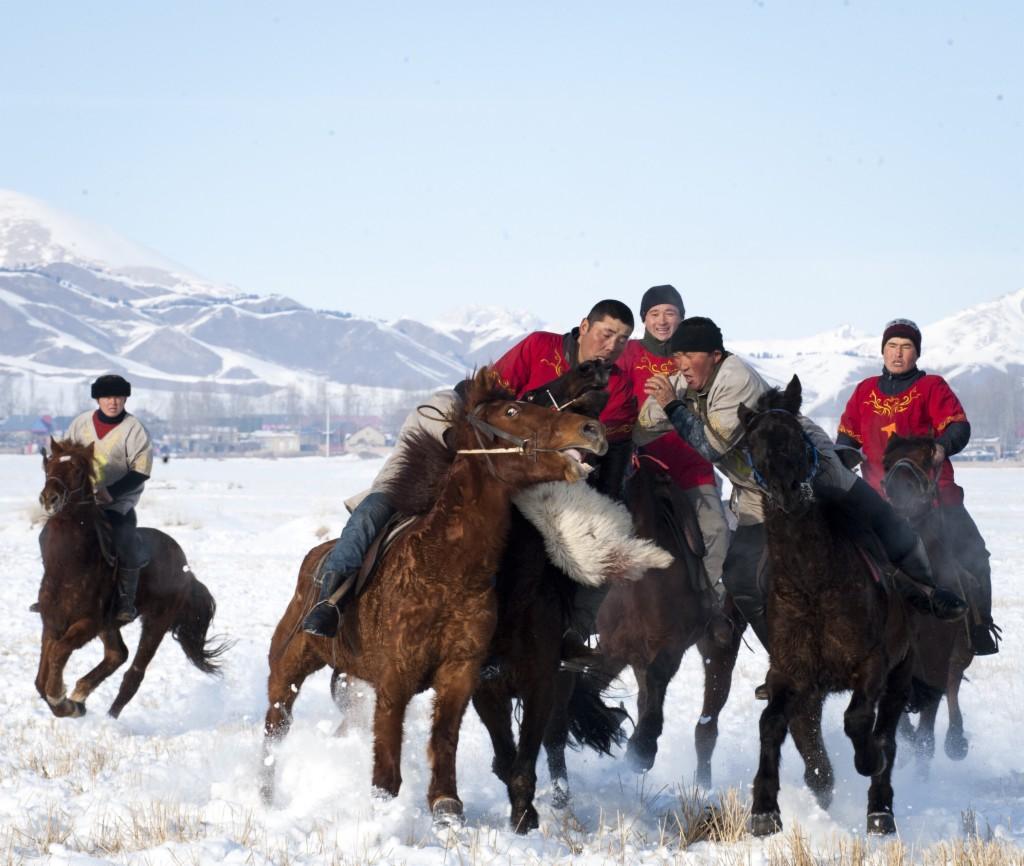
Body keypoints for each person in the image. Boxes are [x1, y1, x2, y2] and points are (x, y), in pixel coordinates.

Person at [637, 317, 968, 697]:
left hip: (813, 475)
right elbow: (646, 423)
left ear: (714, 356)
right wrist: (621, 433)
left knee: (881, 520)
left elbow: (715, 446)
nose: (679, 363)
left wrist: (672, 407)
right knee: (740, 574)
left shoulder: (735, 378)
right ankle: (787, 660)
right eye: (675, 355)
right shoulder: (682, 384)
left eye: (688, 354)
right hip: (760, 495)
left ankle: (930, 594)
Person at [302, 299, 638, 647]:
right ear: (584, 327)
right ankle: (332, 600)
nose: (612, 345)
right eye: (606, 333)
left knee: (594, 548)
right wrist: (558, 390)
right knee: (375, 509)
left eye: (623, 339)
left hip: (538, 481)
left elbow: (606, 451)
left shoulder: (621, 388)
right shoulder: (540, 347)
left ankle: (566, 634)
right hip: (468, 451)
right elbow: (484, 399)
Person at [837, 318, 1000, 655]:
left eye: (906, 347)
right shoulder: (864, 391)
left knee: (975, 555)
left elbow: (958, 427)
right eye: (892, 346)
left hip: (935, 495)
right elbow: (847, 439)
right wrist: (840, 462)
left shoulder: (932, 387)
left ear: (916, 353)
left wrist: (941, 447)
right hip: (877, 500)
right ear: (882, 351)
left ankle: (981, 626)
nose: (898, 354)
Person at [618, 285, 730, 607]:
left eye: (670, 313)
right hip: (637, 464)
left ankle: (705, 601)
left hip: (690, 464)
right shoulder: (628, 354)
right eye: (654, 313)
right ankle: (596, 614)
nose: (662, 320)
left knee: (717, 532)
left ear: (681, 317)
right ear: (644, 318)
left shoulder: (699, 356)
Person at [58, 374, 153, 623]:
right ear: (98, 399)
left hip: (117, 503)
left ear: (125, 399)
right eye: (108, 397)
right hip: (80, 501)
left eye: (119, 397)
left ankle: (125, 600)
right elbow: (65, 455)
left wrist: (111, 492)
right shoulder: (80, 424)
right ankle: (52, 592)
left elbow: (141, 471)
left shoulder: (134, 429)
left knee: (124, 540)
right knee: (50, 535)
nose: (113, 402)